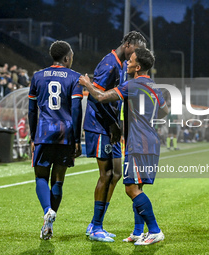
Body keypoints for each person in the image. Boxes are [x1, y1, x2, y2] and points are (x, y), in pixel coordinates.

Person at [80, 47, 168, 245]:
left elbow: (101, 97)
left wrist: (87, 84)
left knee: (130, 189)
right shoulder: (154, 87)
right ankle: (138, 231)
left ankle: (154, 230)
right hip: (151, 142)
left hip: (138, 144)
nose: (127, 62)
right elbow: (164, 111)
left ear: (138, 67)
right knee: (138, 186)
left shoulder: (132, 85)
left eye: (131, 61)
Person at [83, 31, 147, 242]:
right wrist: (112, 124)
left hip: (111, 126)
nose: (136, 56)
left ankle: (95, 223)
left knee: (117, 174)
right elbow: (96, 98)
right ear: (127, 44)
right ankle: (96, 227)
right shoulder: (109, 64)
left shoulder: (120, 63)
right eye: (136, 50)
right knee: (107, 174)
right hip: (100, 125)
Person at [28, 41, 83, 240]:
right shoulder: (75, 77)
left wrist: (33, 136)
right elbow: (76, 110)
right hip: (65, 133)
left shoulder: (37, 76)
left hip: (43, 131)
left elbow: (32, 110)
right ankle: (49, 223)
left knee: (41, 177)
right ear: (67, 58)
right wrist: (77, 138)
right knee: (58, 180)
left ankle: (47, 211)